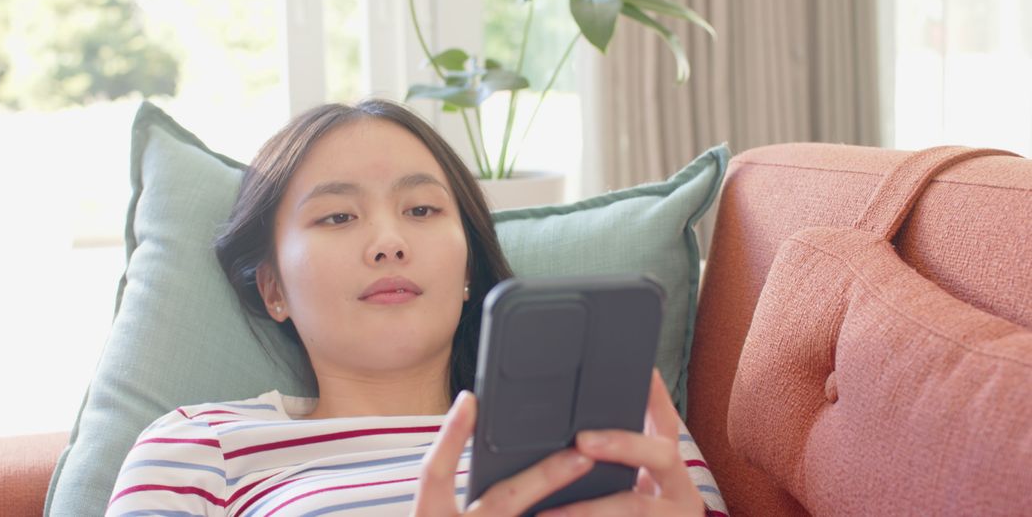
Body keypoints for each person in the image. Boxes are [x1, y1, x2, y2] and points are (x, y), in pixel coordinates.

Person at [105, 99, 727, 516]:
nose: (389, 242)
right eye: (338, 216)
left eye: (422, 210)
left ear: (467, 269)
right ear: (274, 290)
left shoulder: (630, 430)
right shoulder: (199, 449)